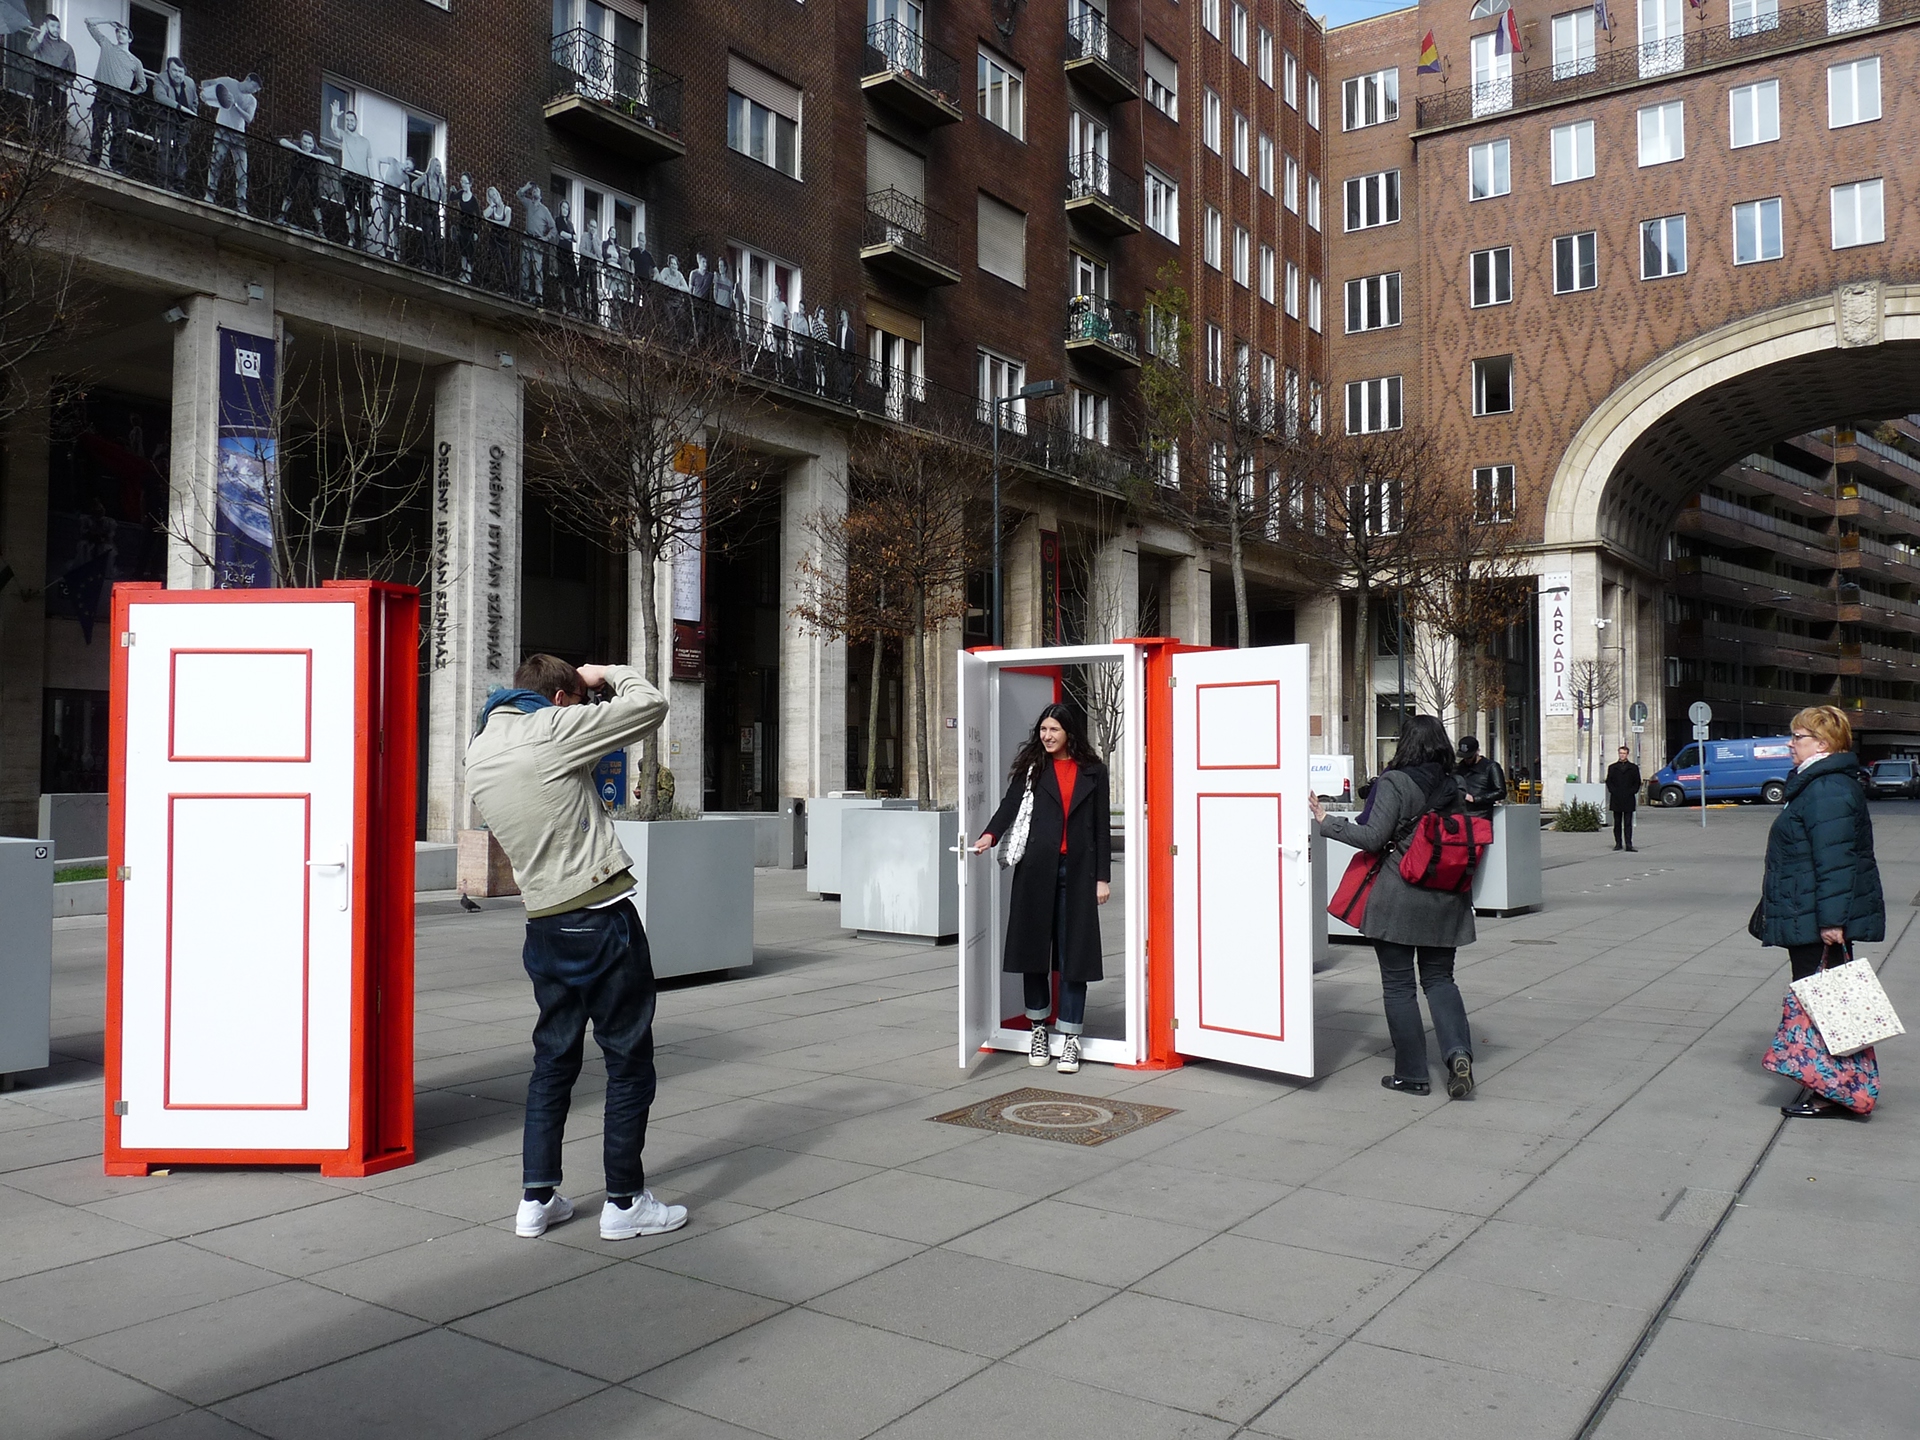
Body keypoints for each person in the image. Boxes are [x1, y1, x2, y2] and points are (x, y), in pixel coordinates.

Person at [464, 653, 689, 1239]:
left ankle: (536, 1199)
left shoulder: (480, 747)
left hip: (544, 924)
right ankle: (623, 1202)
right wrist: (609, 672)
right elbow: (650, 706)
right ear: (562, 698)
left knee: (553, 1062)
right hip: (600, 917)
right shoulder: (552, 727)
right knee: (628, 1061)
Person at [1311, 715, 1477, 1098]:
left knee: (1400, 986)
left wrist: (1325, 819)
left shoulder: (1394, 782)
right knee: (1440, 980)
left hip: (1400, 898)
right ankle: (1457, 1054)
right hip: (1446, 899)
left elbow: (1372, 837)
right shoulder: (1453, 785)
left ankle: (1413, 1074)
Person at [1758, 706, 1885, 1119]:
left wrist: (1833, 922)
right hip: (1807, 911)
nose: (1790, 743)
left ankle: (1834, 1091)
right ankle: (1832, 1085)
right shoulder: (1817, 784)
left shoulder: (1827, 788)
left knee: (1826, 1006)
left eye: (1798, 736)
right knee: (1826, 1004)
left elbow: (1835, 863)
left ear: (1823, 744)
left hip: (1816, 917)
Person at [970, 704, 1112, 1074]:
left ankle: (1070, 1037)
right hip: (1035, 870)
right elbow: (1009, 806)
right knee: (1033, 951)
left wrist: (1102, 877)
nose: (1046, 736)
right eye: (1043, 730)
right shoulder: (1033, 768)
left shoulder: (1094, 771)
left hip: (1078, 874)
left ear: (1069, 733)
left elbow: (1100, 828)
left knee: (1074, 956)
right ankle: (1038, 1028)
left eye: (1054, 730)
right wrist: (989, 834)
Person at [84, 18, 146, 171]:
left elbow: (143, 85)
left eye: (124, 33)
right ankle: (94, 159)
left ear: (130, 39)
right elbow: (89, 23)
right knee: (99, 126)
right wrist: (109, 21)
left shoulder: (135, 61)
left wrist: (131, 93)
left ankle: (117, 164)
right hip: (103, 91)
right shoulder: (107, 45)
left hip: (121, 97)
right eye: (118, 32)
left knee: (120, 130)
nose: (120, 35)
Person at [202, 73, 261, 209]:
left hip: (238, 135)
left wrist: (235, 105)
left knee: (242, 170)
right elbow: (206, 83)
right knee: (216, 162)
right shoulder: (228, 82)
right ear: (247, 79)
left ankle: (241, 204)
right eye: (253, 87)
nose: (253, 91)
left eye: (256, 90)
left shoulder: (252, 100)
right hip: (222, 130)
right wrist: (208, 95)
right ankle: (210, 196)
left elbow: (249, 118)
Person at [1605, 745, 1642, 852]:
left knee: (1628, 823)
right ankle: (1618, 843)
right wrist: (1613, 791)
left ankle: (1629, 844)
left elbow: (1637, 782)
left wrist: (1632, 792)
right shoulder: (1612, 767)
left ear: (1627, 754)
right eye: (1620, 753)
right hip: (1616, 798)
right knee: (1617, 823)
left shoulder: (1633, 768)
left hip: (1628, 798)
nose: (1622, 755)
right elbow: (1609, 781)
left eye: (1624, 753)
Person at [1455, 735, 1505, 811]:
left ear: (1477, 751)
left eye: (1469, 757)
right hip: (1461, 812)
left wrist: (1476, 799)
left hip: (1481, 813)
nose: (1466, 760)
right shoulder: (1459, 768)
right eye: (1464, 757)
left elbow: (1501, 792)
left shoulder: (1491, 767)